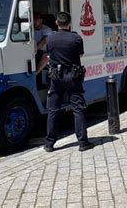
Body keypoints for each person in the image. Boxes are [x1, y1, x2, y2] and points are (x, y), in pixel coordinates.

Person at [44, 12, 94, 152]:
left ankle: (49, 144)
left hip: (56, 77)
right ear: (70, 23)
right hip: (73, 76)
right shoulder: (76, 38)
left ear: (56, 22)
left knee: (53, 110)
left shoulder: (50, 39)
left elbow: (48, 55)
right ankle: (83, 142)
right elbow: (80, 54)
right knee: (77, 109)